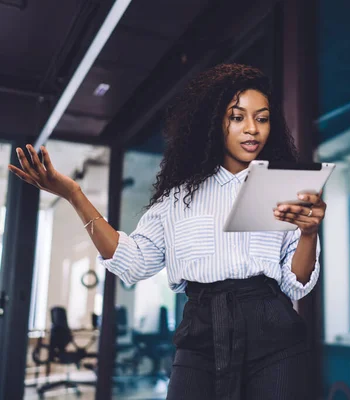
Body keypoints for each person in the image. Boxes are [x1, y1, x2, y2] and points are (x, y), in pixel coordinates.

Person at [8, 63, 326, 400]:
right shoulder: (178, 198)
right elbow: (133, 262)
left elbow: (297, 283)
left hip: (273, 333)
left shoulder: (284, 190)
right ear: (215, 122)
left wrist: (309, 233)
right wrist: (74, 195)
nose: (252, 129)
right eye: (237, 117)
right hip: (201, 332)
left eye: (261, 118)